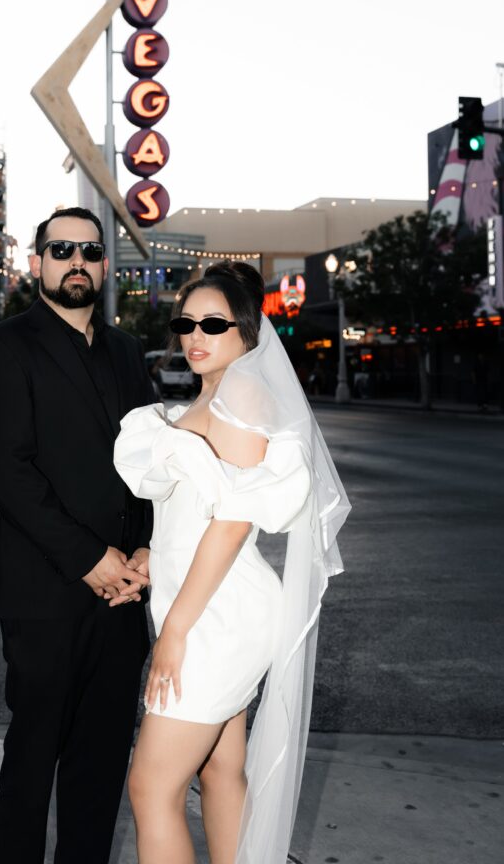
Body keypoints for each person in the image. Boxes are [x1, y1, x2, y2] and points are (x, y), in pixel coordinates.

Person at [114, 261, 350, 864]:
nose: (194, 335)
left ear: (247, 330)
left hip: (215, 617)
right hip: (204, 603)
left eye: (213, 324)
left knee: (151, 786)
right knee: (220, 771)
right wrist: (151, 553)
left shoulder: (243, 395)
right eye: (185, 322)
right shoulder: (212, 394)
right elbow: (197, 509)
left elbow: (232, 523)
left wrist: (175, 631)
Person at [0, 207, 155, 864]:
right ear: (38, 262)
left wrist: (143, 550)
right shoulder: (1, 347)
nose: (76, 261)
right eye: (61, 249)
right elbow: (7, 472)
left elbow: (150, 463)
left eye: (89, 251)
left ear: (104, 265)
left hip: (123, 596)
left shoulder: (129, 350)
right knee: (32, 758)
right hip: (42, 593)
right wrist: (88, 559)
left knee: (100, 762)